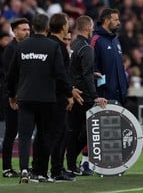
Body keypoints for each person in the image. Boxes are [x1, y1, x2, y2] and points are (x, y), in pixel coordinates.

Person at [6, 13, 75, 184]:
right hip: (46, 99)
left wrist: (12, 95)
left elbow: (11, 74)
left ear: (33, 27)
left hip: (26, 98)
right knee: (45, 135)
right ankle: (41, 173)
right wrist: (69, 94)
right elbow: (60, 74)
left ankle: (24, 169)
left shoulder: (21, 47)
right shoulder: (53, 47)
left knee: (24, 136)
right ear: (47, 28)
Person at [66, 15, 107, 176]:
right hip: (84, 96)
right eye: (92, 27)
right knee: (87, 132)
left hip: (73, 93)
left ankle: (70, 165)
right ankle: (71, 162)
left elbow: (73, 70)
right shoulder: (87, 48)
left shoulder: (73, 45)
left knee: (73, 131)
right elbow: (86, 74)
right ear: (88, 28)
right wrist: (95, 95)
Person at [46, 12, 77, 181]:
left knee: (51, 133)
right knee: (59, 132)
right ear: (63, 26)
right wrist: (69, 94)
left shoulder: (48, 43)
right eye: (67, 23)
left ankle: (46, 169)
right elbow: (61, 75)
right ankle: (56, 170)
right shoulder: (58, 47)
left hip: (46, 94)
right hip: (57, 96)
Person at [1, 18, 30, 178]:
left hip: (24, 96)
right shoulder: (10, 49)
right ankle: (6, 168)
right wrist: (13, 96)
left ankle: (21, 166)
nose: (27, 32)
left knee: (22, 132)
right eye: (23, 29)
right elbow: (10, 76)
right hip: (13, 97)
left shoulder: (24, 47)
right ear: (15, 31)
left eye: (28, 29)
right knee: (11, 133)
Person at [91, 8, 129, 106]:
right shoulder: (96, 40)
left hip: (120, 94)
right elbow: (92, 67)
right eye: (115, 20)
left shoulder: (115, 40)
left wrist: (125, 85)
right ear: (107, 21)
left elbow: (120, 65)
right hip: (105, 96)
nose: (119, 22)